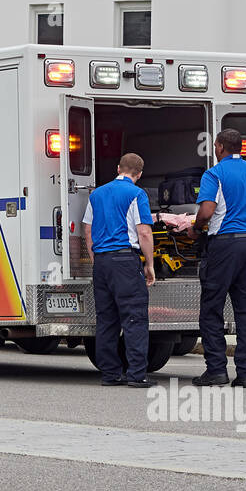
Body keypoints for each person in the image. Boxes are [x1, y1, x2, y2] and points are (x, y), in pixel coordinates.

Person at [190, 130, 246, 386]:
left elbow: (207, 211)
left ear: (219, 147)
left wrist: (196, 228)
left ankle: (217, 369)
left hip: (225, 246)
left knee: (212, 309)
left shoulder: (214, 174)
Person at [84, 152, 157, 387]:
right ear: (139, 174)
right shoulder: (137, 194)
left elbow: (87, 230)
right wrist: (150, 263)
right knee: (134, 317)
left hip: (102, 262)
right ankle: (137, 375)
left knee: (106, 320)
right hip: (125, 261)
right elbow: (144, 232)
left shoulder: (96, 194)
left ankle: (110, 373)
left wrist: (96, 259)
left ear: (118, 168)